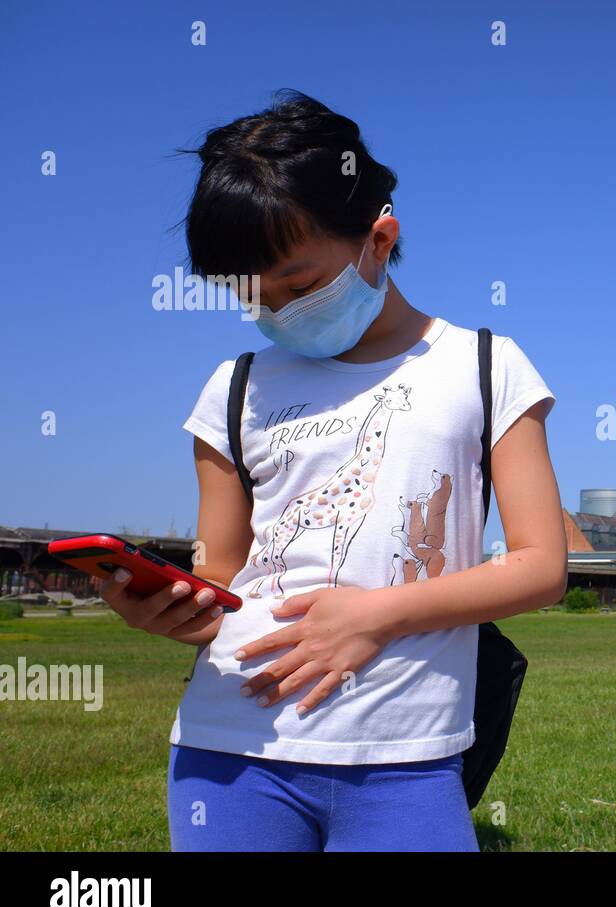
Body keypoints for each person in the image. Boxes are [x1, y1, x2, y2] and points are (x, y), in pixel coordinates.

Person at [93, 92, 568, 851]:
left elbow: (543, 567)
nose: (276, 310)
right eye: (251, 295)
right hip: (229, 751)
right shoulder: (233, 386)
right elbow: (223, 575)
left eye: (296, 282)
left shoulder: (485, 366)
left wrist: (374, 614)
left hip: (405, 759)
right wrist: (167, 609)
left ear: (379, 238)